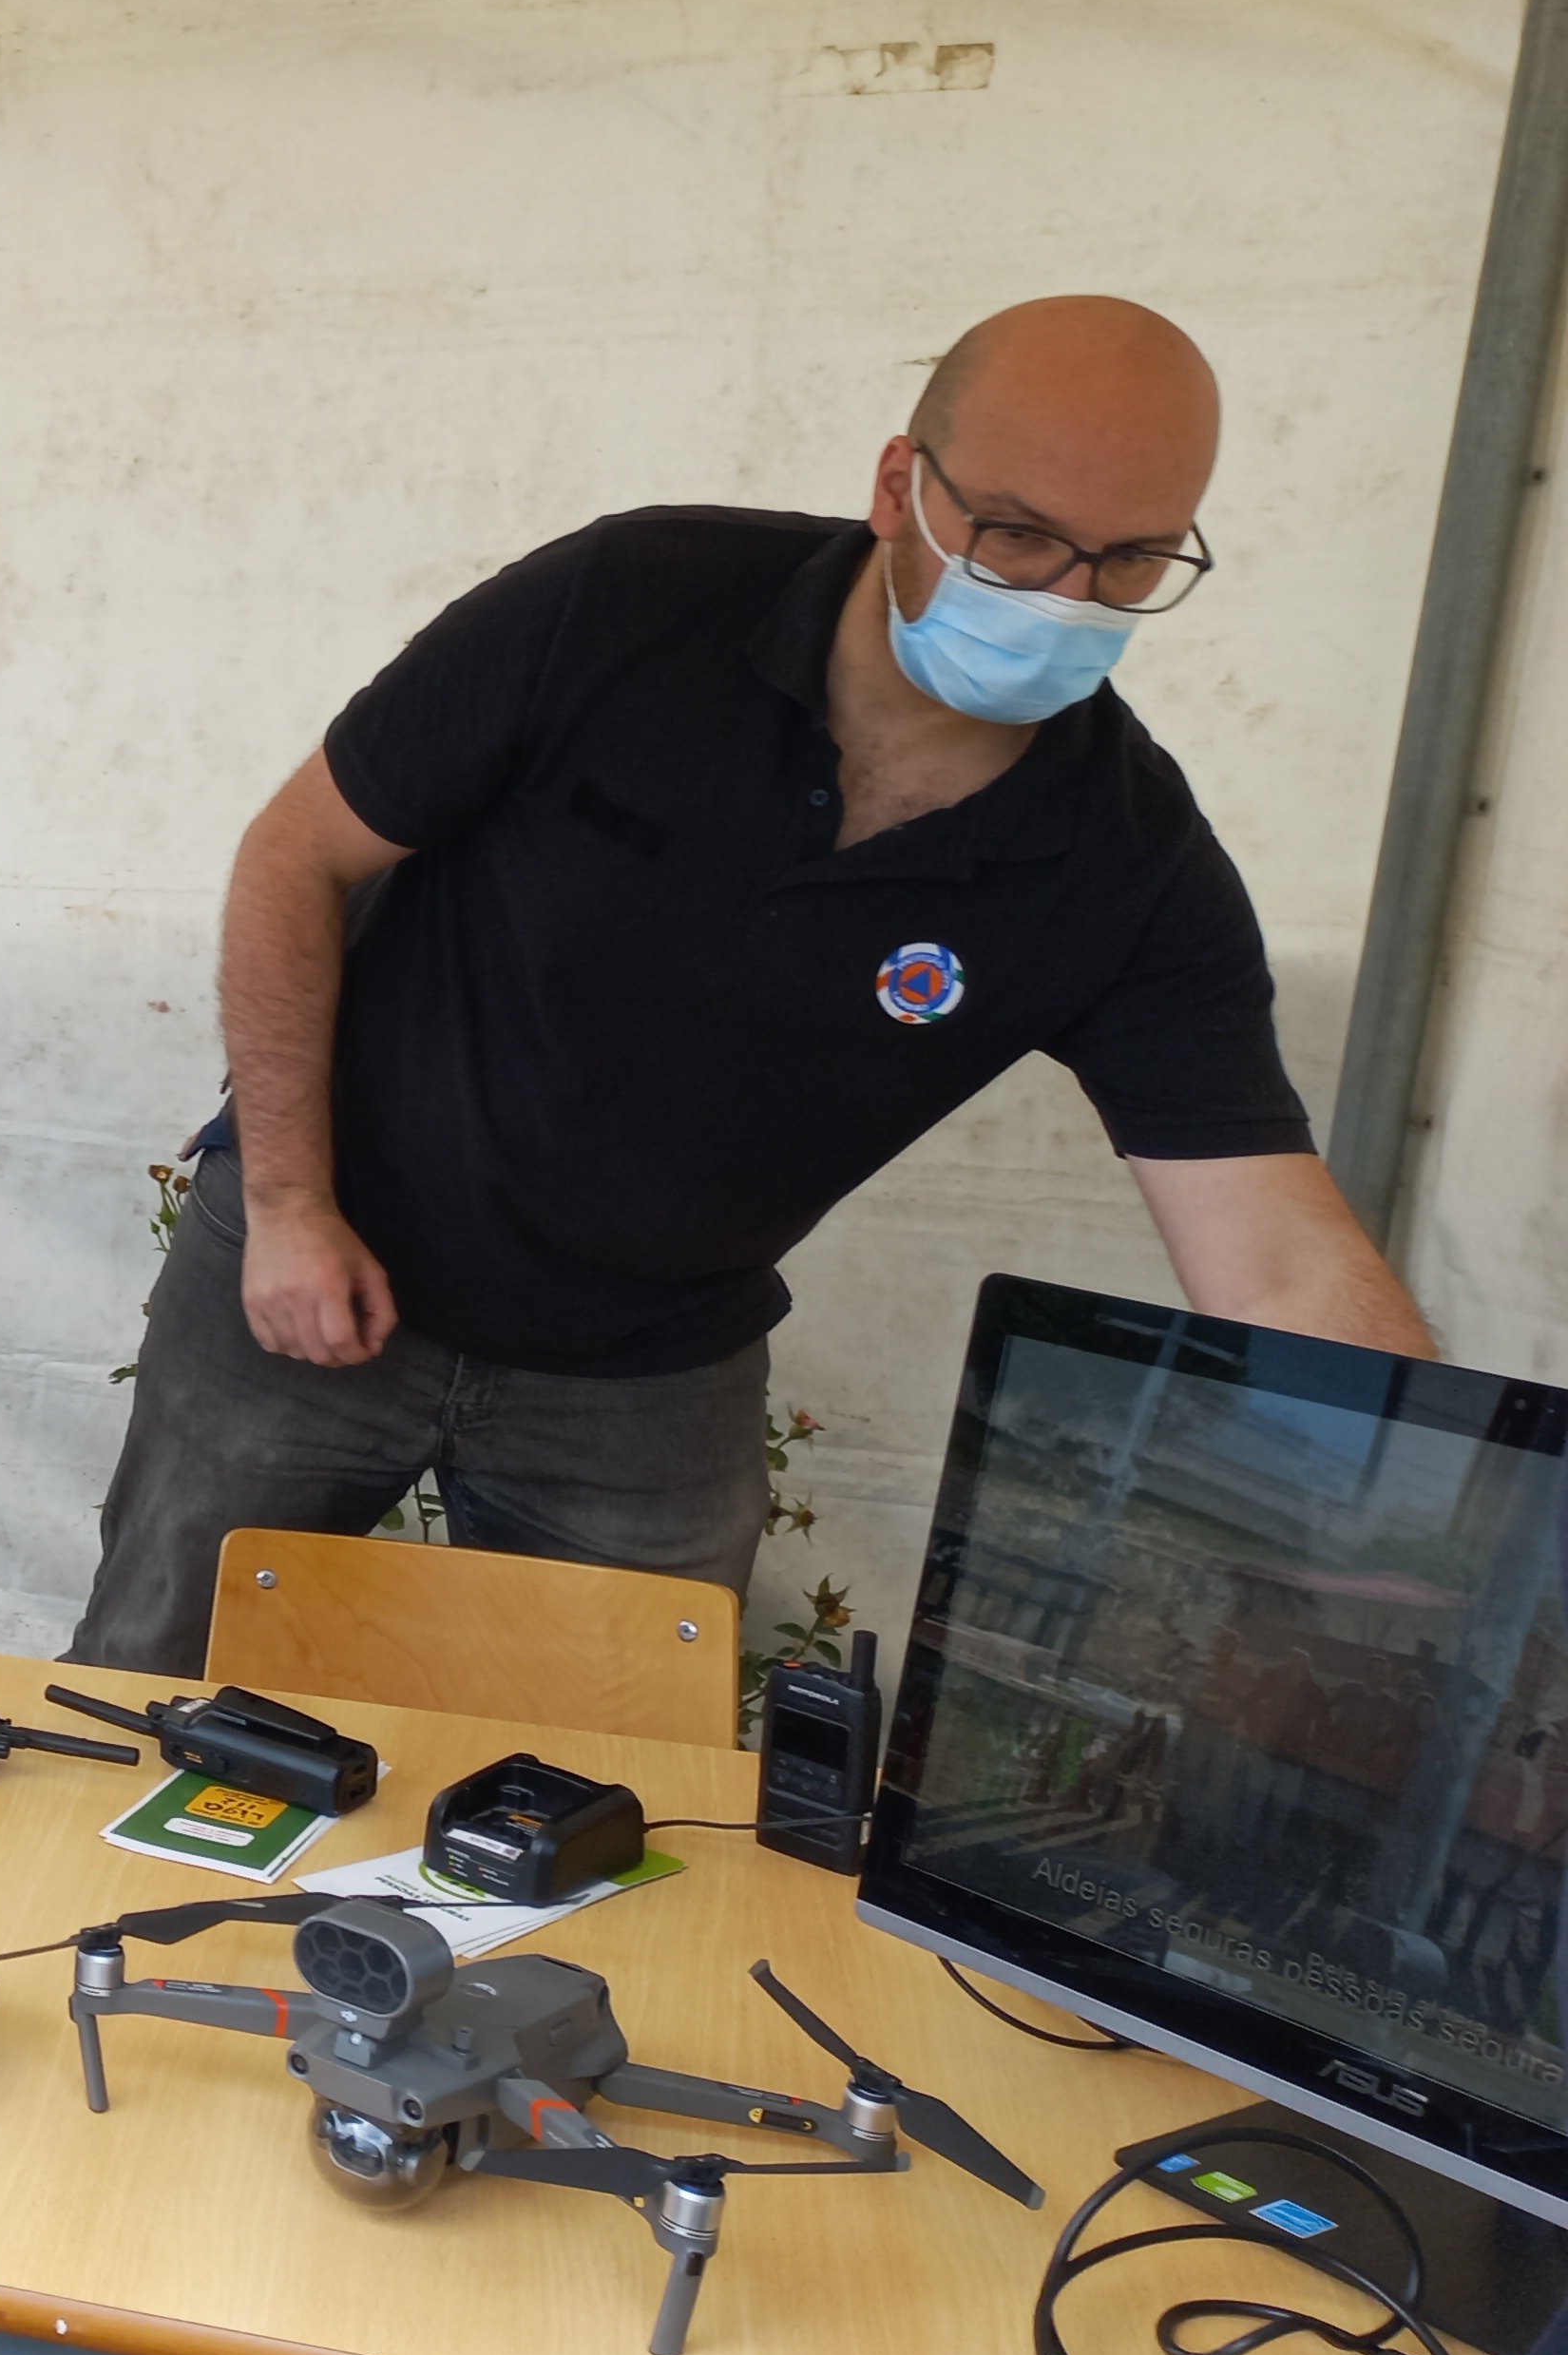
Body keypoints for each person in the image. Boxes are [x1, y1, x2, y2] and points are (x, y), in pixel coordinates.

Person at [72, 297, 1432, 1675]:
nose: (1064, 599)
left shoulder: (1127, 862)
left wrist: (1446, 1494)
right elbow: (297, 856)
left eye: (1131, 559)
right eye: (1017, 534)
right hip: (322, 1255)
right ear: (899, 485)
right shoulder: (626, 603)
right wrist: (291, 1203)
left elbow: (1276, 1255)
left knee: (619, 1766)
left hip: (644, 1375)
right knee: (147, 1682)